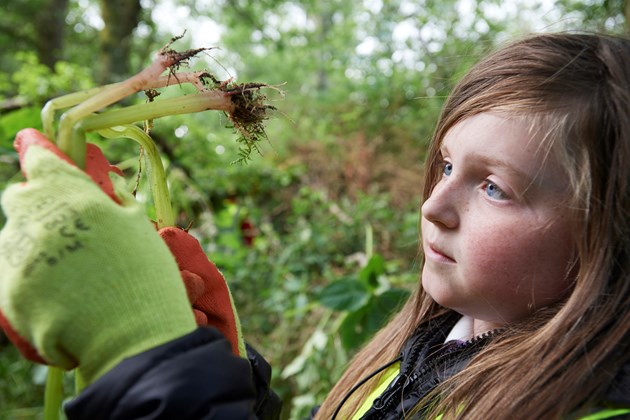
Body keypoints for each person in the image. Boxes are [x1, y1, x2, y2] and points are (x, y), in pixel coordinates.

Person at [1, 32, 630, 419]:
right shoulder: (423, 349)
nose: (433, 205)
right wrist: (222, 384)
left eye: (494, 187)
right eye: (443, 164)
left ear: (608, 233)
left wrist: (146, 361)